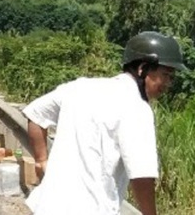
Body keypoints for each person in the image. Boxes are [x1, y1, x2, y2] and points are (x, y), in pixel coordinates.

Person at [22, 31, 185, 215]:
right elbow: (142, 177)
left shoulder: (80, 88)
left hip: (48, 207)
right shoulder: (136, 108)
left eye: (171, 77)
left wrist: (41, 161)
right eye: (165, 75)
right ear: (143, 68)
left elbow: (36, 114)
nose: (168, 83)